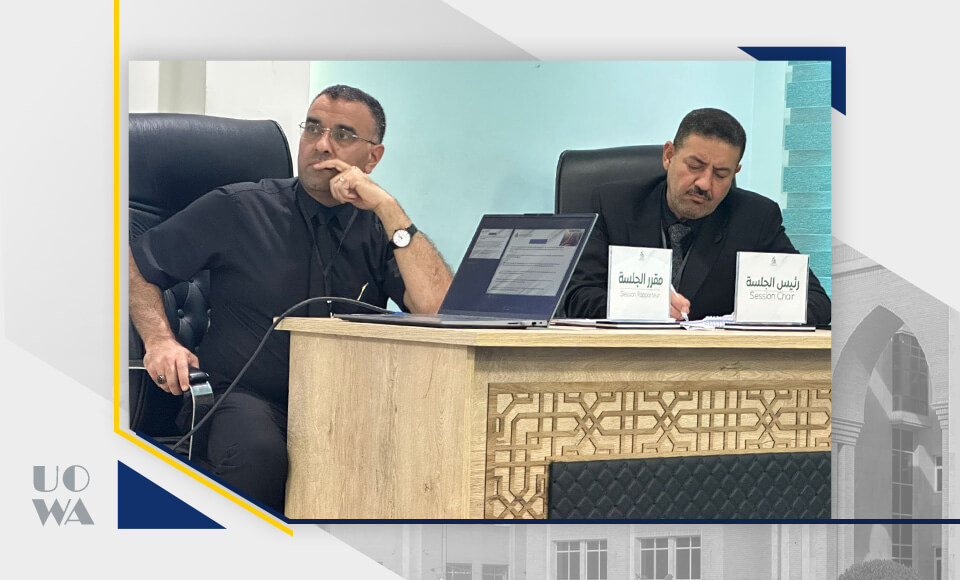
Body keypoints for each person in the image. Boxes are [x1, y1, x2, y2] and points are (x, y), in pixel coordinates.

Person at [129, 85, 453, 513]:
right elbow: (134, 264)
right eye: (313, 128)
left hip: (349, 400)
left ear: (372, 157)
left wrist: (389, 209)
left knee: (427, 453)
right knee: (260, 454)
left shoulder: (378, 227)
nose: (322, 144)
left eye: (343, 134)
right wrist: (159, 340)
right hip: (245, 397)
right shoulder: (239, 208)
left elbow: (437, 309)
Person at [563, 108, 831, 325]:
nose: (704, 183)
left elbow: (818, 303)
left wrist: (757, 311)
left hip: (717, 365)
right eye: (695, 166)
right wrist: (644, 306)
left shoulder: (756, 218)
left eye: (721, 174)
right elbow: (577, 296)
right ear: (669, 156)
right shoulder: (616, 205)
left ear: (735, 172)